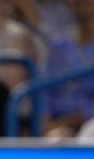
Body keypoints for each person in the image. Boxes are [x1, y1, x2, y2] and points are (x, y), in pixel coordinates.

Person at [44, 0, 94, 138]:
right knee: (55, 139)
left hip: (91, 124)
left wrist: (83, 116)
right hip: (61, 127)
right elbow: (46, 93)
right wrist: (46, 121)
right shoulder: (59, 47)